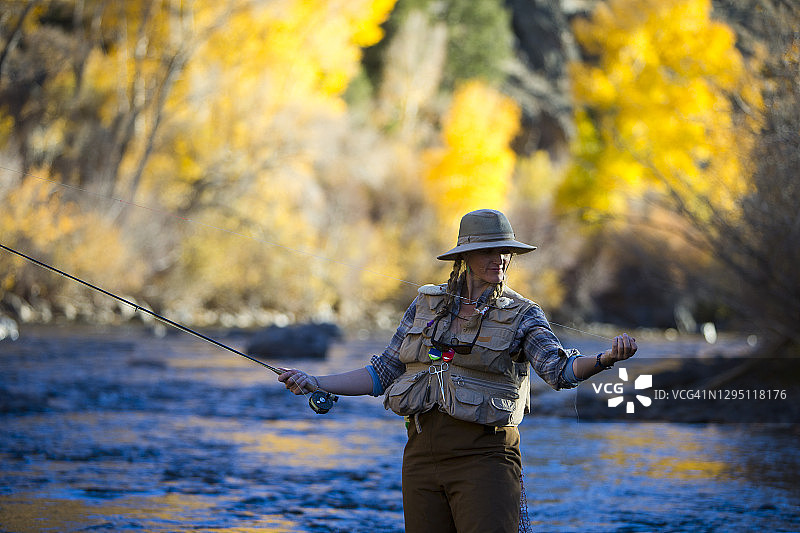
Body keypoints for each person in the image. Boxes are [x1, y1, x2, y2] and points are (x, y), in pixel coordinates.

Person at [278, 209, 638, 533]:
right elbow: (383, 372)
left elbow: (560, 370)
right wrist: (315, 381)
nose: (499, 258)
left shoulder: (524, 313)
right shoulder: (425, 304)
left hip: (486, 458)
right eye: (488, 250)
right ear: (465, 256)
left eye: (505, 251)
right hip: (420, 456)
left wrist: (606, 359)